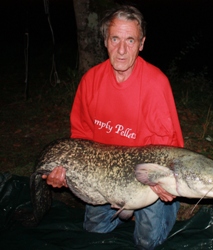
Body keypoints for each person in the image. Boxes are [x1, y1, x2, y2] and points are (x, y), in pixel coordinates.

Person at [42, 5, 184, 250]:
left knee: (147, 243)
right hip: (105, 178)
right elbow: (81, 137)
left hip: (146, 178)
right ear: (105, 41)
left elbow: (169, 148)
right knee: (94, 234)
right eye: (115, 38)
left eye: (130, 40)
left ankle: (167, 209)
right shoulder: (90, 81)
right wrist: (67, 172)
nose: (121, 50)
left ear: (141, 44)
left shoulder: (156, 84)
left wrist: (164, 182)